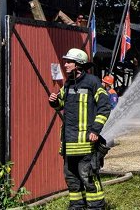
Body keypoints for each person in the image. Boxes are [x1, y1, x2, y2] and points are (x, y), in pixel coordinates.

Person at [48, 48, 111, 210]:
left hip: (86, 144)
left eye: (69, 61)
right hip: (69, 144)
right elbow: (60, 104)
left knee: (88, 178)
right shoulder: (68, 84)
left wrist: (95, 130)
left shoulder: (92, 82)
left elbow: (105, 107)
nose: (66, 64)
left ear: (79, 64)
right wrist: (54, 101)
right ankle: (77, 206)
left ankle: (96, 207)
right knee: (72, 180)